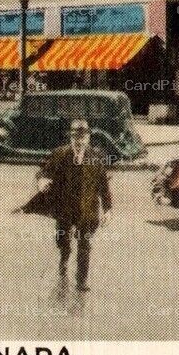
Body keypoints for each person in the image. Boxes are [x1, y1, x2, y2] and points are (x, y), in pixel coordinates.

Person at [18, 118, 111, 293]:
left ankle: (81, 280)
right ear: (71, 138)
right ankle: (64, 258)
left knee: (85, 245)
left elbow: (103, 185)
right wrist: (42, 181)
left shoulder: (96, 158)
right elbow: (43, 171)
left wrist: (107, 209)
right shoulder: (60, 154)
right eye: (75, 137)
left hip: (87, 210)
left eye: (82, 138)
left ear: (88, 138)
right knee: (63, 240)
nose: (79, 141)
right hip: (65, 209)